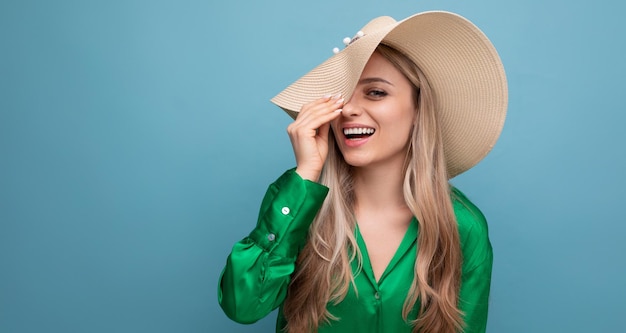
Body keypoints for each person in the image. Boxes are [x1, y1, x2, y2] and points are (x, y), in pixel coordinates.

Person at [218, 10, 507, 333]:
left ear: (418, 110)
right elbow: (242, 306)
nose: (350, 109)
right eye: (341, 96)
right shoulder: (295, 202)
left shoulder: (463, 225)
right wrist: (306, 173)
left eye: (375, 92)